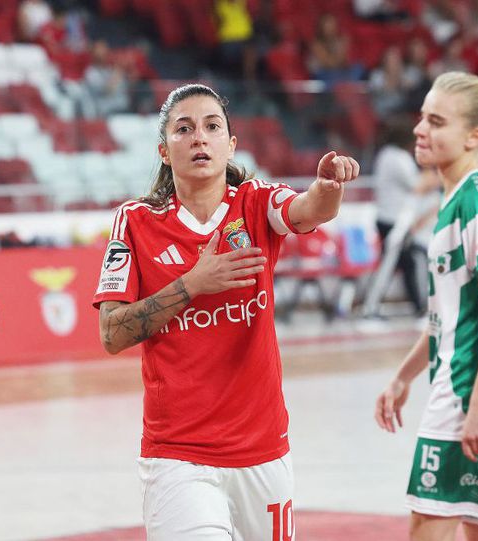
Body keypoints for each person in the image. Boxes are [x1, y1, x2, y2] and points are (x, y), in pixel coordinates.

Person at [93, 83, 359, 540]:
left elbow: (307, 209)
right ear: (163, 149)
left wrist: (328, 187)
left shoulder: (254, 203)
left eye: (212, 126)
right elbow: (111, 334)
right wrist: (194, 284)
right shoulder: (135, 222)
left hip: (263, 449)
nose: (200, 137)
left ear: (230, 145)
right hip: (178, 454)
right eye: (185, 128)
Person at [374, 72, 478, 541]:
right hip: (467, 386)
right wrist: (403, 377)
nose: (420, 130)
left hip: (472, 392)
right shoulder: (454, 200)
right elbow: (446, 319)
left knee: (429, 527)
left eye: (437, 122)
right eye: (423, 118)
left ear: (475, 136)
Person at [372, 121, 436, 316]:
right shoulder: (397, 158)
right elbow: (418, 186)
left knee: (408, 263)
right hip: (393, 220)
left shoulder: (386, 154)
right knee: (388, 265)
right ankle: (370, 309)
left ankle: (419, 307)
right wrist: (434, 171)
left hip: (391, 217)